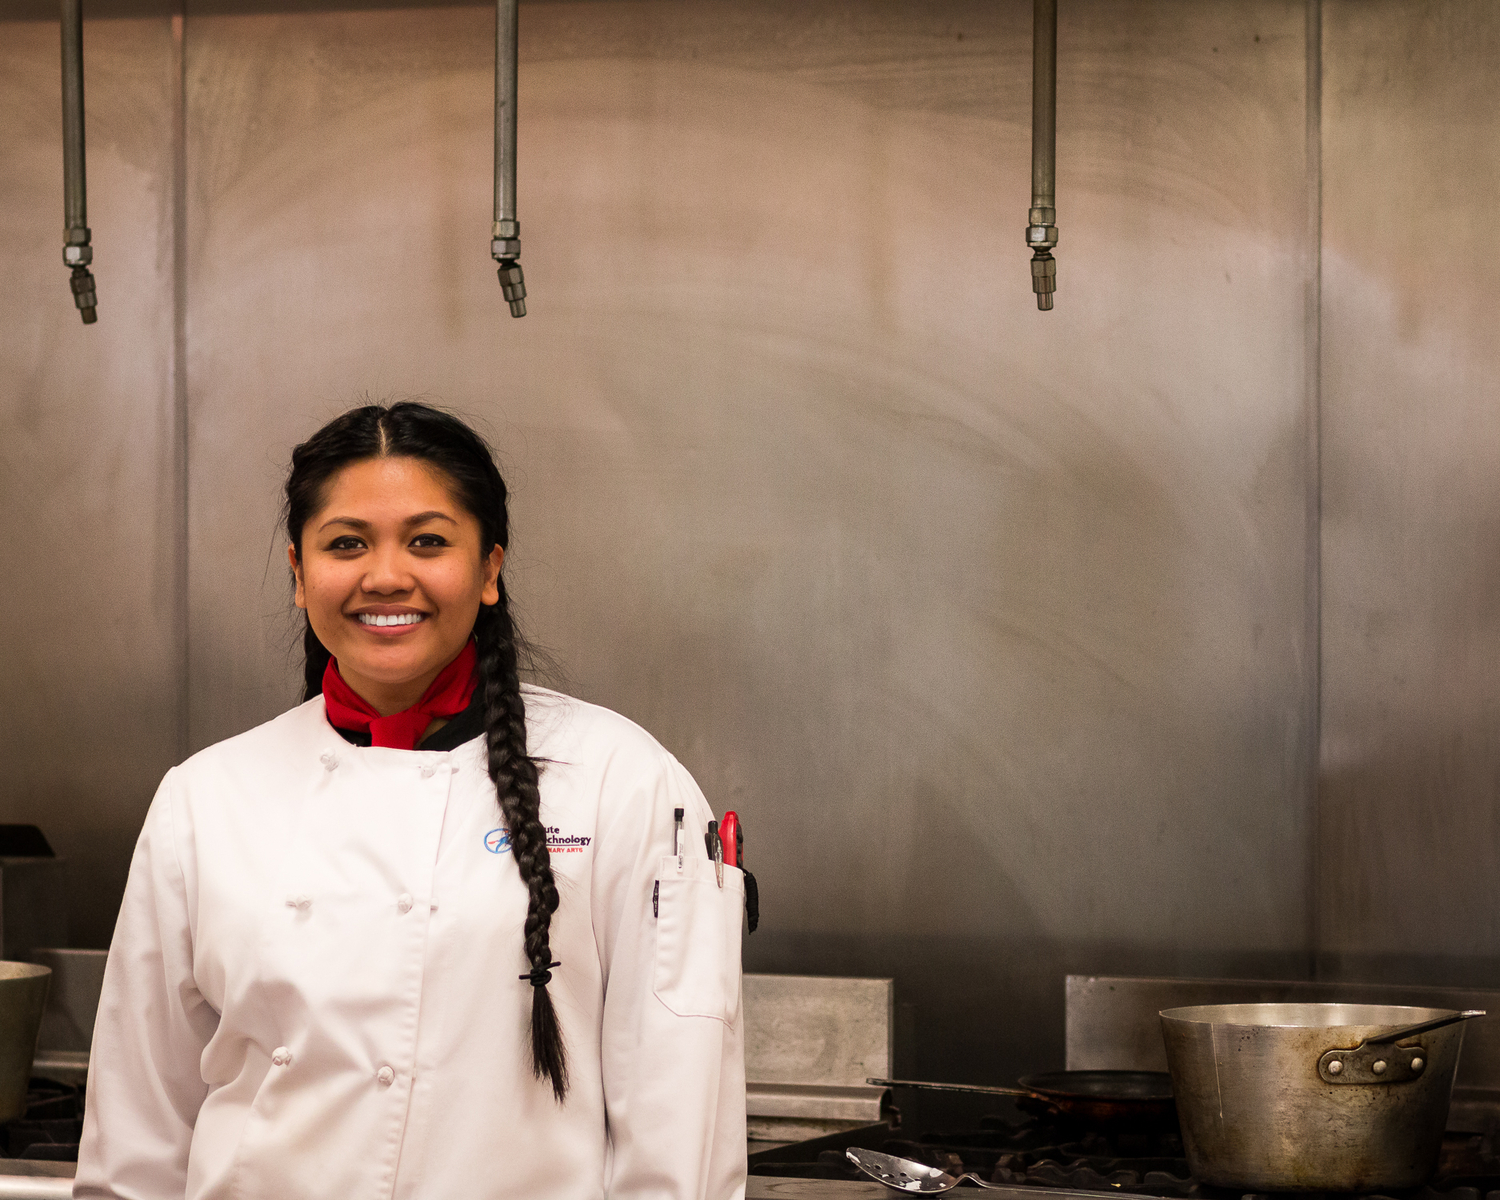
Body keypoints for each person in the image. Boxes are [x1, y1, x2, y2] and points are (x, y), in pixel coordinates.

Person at [75, 402, 748, 1200]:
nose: (386, 575)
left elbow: (677, 1135)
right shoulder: (205, 797)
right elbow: (138, 1135)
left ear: (489, 569)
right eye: (346, 543)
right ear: (298, 574)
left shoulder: (619, 780)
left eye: (428, 541)